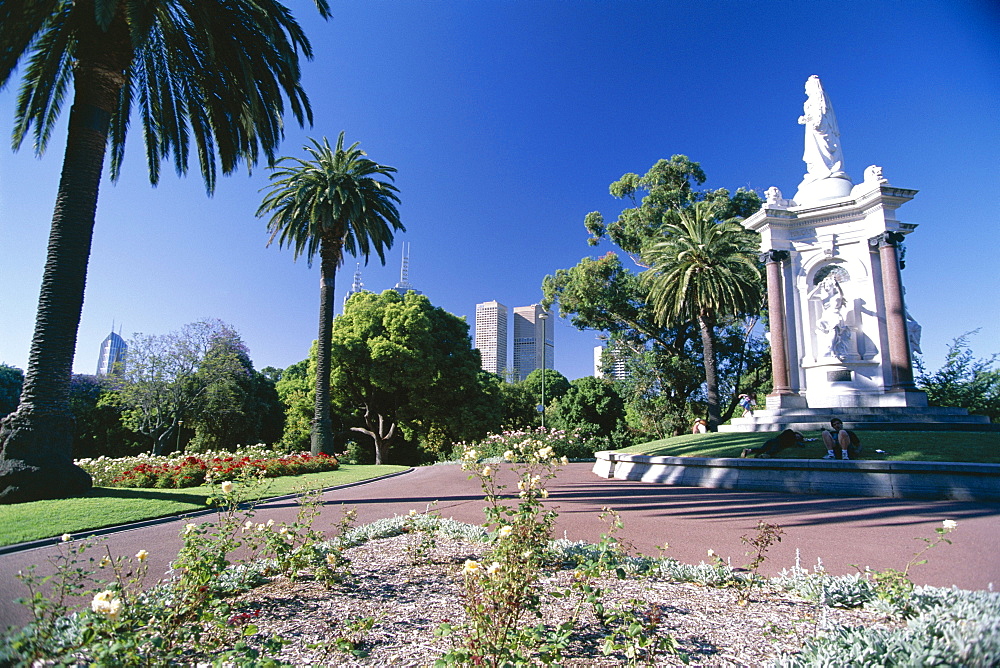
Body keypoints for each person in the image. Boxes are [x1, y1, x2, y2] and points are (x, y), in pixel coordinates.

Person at [740, 430, 805, 459]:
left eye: (799, 438)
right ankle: (765, 455)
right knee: (775, 449)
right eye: (798, 435)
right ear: (796, 433)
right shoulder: (790, 433)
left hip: (773, 441)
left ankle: (749, 451)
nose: (797, 437)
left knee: (762, 449)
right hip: (777, 441)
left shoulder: (793, 440)